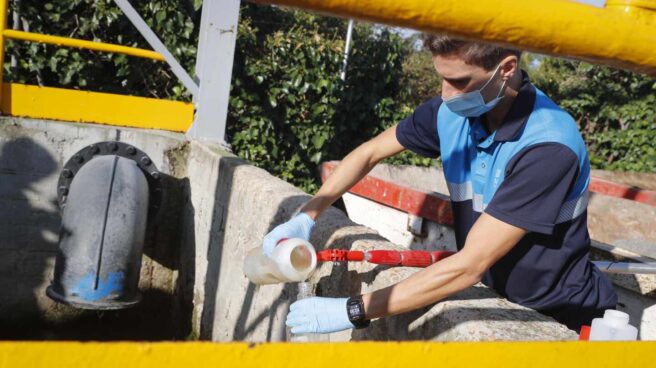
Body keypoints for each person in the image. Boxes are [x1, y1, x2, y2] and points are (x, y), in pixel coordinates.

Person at [263, 34, 618, 335]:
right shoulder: (453, 113)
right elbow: (369, 154)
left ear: (506, 69)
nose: (446, 93)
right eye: (442, 79)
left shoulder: (548, 145)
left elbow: (469, 265)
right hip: (496, 294)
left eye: (460, 81)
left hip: (561, 317)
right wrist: (306, 217)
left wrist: (354, 310)